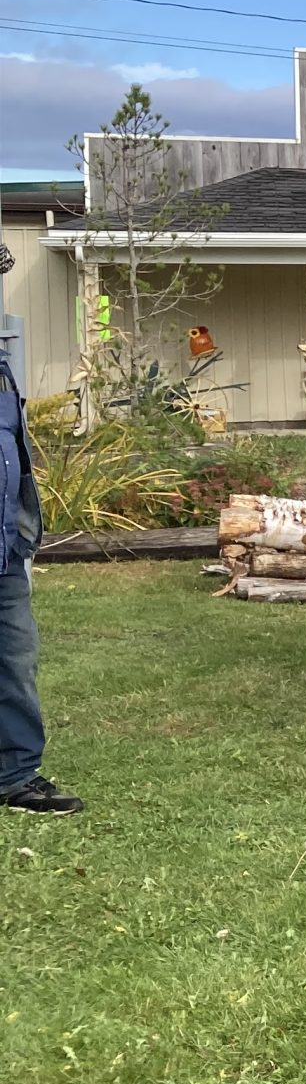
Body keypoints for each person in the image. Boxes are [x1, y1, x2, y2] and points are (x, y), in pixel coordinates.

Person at [0, 241, 80, 812]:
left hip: (5, 549)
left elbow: (15, 455)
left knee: (15, 660)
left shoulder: (0, 368)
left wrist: (27, 528)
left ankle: (16, 775)